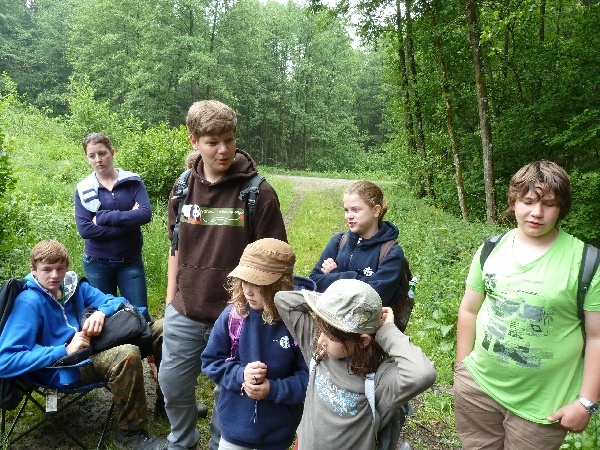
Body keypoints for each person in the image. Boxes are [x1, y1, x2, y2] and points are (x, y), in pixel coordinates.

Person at [159, 100, 287, 450]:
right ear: (194, 141)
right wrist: (170, 302)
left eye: (229, 139)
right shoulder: (183, 187)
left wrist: (260, 310)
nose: (223, 149)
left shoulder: (258, 193)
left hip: (237, 314)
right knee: (171, 383)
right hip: (186, 309)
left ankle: (221, 443)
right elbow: (175, 247)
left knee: (229, 389)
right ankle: (182, 440)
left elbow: (275, 260)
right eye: (213, 142)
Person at [454, 160, 600, 450]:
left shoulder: (587, 262)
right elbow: (469, 310)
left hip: (543, 405)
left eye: (549, 204)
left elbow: (597, 337)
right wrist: (462, 369)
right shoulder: (490, 249)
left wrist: (586, 402)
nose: (537, 212)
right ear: (514, 202)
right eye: (528, 201)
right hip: (477, 389)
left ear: (561, 208)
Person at [0, 240, 167, 450]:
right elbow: (5, 360)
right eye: (47, 270)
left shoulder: (72, 287)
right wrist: (63, 350)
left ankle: (169, 404)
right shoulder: (28, 302)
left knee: (164, 329)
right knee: (127, 354)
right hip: (62, 367)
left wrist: (101, 313)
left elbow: (115, 300)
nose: (54, 276)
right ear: (33, 269)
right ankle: (130, 434)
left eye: (60, 268)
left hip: (89, 349)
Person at [274, 278, 436, 450]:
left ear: (363, 341)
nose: (320, 339)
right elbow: (283, 300)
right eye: (321, 329)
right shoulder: (319, 352)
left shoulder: (379, 381)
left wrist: (387, 331)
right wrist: (334, 303)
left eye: (331, 336)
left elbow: (422, 374)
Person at [201, 238, 309, 450]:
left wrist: (274, 389)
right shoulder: (234, 316)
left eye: (258, 284)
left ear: (281, 284)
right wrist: (240, 375)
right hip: (234, 429)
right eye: (244, 281)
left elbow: (311, 378)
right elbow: (211, 360)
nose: (248, 291)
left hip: (278, 433)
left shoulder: (298, 323)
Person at [75, 132, 152, 321]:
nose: (98, 160)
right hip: (97, 262)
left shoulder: (132, 181)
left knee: (139, 314)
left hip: (130, 260)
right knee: (104, 317)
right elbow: (85, 230)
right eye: (92, 156)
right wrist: (129, 220)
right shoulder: (84, 189)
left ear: (112, 152)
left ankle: (143, 342)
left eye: (102, 153)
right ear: (87, 158)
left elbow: (145, 214)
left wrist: (101, 216)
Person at [309, 180, 404, 307]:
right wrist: (363, 281)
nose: (349, 216)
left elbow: (374, 297)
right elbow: (313, 281)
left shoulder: (391, 252)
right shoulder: (339, 241)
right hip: (328, 314)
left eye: (355, 210)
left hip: (369, 320)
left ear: (376, 211)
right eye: (346, 210)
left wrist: (335, 274)